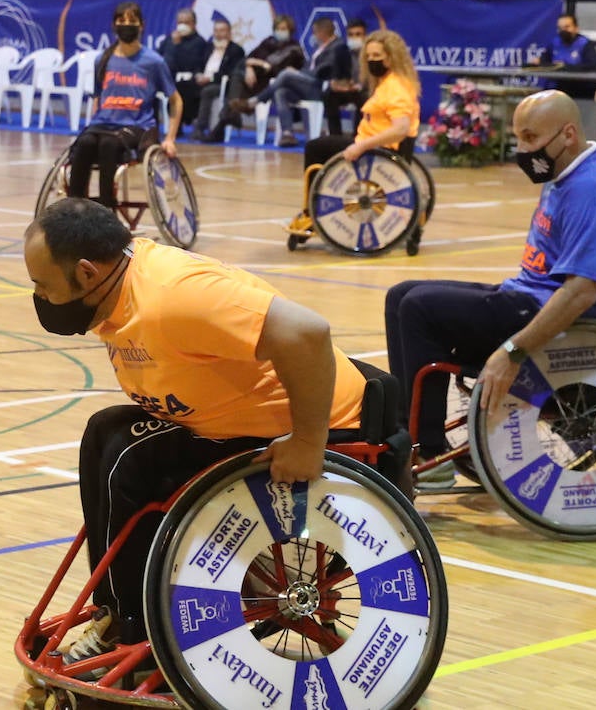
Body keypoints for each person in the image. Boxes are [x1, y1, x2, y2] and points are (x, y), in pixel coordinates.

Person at [23, 197, 377, 665]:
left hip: (303, 426)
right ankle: (119, 609)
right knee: (103, 434)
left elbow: (308, 332)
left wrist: (309, 442)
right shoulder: (116, 291)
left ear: (87, 274)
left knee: (130, 461)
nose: (40, 299)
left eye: (43, 287)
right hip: (225, 421)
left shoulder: (175, 295)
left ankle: (138, 630)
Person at [385, 90, 596, 489]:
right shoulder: (566, 174)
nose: (522, 150)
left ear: (568, 134)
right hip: (528, 297)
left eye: (531, 138)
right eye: (518, 138)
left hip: (560, 319)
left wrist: (513, 350)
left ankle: (428, 452)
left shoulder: (591, 189)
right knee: (401, 294)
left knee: (419, 308)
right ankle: (408, 435)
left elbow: (581, 293)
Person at [287, 29, 420, 234]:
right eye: (368, 56)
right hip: (370, 144)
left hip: (379, 152)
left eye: (377, 56)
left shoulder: (396, 87)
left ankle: (312, 212)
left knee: (315, 148)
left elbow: (400, 129)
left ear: (391, 57)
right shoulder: (388, 82)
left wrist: (361, 146)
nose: (371, 60)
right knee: (324, 143)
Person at [66, 2, 179, 210]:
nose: (127, 25)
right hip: (103, 123)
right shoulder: (103, 59)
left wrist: (170, 138)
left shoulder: (153, 61)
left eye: (131, 21)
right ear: (114, 25)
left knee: (109, 144)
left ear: (141, 25)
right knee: (84, 144)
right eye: (122, 21)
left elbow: (176, 100)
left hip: (137, 126)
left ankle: (107, 211)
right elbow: (97, 97)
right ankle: (74, 209)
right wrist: (93, 122)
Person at [204, 15, 305, 143]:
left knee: (236, 76)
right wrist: (250, 67)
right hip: (252, 81)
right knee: (237, 73)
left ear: (290, 30)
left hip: (270, 86)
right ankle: (232, 114)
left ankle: (226, 120)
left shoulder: (294, 48)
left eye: (283, 28)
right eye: (278, 28)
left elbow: (279, 71)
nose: (280, 31)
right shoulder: (268, 42)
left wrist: (258, 65)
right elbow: (248, 58)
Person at [265, 17, 354, 144]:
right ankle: (287, 133)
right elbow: (308, 67)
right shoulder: (319, 47)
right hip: (308, 86)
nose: (314, 35)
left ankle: (259, 99)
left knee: (286, 74)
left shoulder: (337, 48)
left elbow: (321, 71)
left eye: (315, 32)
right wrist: (299, 73)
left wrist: (298, 73)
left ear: (322, 32)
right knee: (281, 91)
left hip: (320, 88)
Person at [184, 17, 245, 136]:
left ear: (229, 32)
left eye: (222, 30)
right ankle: (182, 124)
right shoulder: (208, 47)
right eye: (216, 30)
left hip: (220, 84)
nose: (219, 34)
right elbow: (197, 64)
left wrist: (210, 78)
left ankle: (200, 127)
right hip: (202, 79)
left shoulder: (236, 50)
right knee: (183, 86)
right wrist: (198, 75)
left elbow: (230, 73)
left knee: (207, 91)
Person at [159, 7, 208, 126]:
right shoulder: (169, 40)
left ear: (194, 24)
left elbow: (191, 63)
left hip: (189, 80)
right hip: (169, 77)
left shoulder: (200, 42)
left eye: (186, 23)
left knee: (181, 88)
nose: (182, 26)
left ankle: (178, 124)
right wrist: (173, 45)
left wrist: (178, 46)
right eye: (180, 23)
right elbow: (161, 59)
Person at [534, 13, 596, 99]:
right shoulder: (554, 43)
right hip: (557, 89)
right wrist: (539, 62)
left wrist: (565, 67)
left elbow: (593, 65)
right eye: (560, 28)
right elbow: (544, 61)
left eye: (567, 27)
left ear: (576, 28)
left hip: (581, 90)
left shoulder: (585, 44)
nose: (563, 30)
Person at [322, 18, 369, 136]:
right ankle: (335, 136)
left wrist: (360, 86)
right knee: (329, 95)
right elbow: (336, 75)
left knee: (364, 98)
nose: (354, 38)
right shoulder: (341, 50)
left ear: (365, 36)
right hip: (348, 89)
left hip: (365, 90)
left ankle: (358, 136)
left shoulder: (370, 52)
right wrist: (339, 85)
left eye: (358, 34)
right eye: (351, 35)